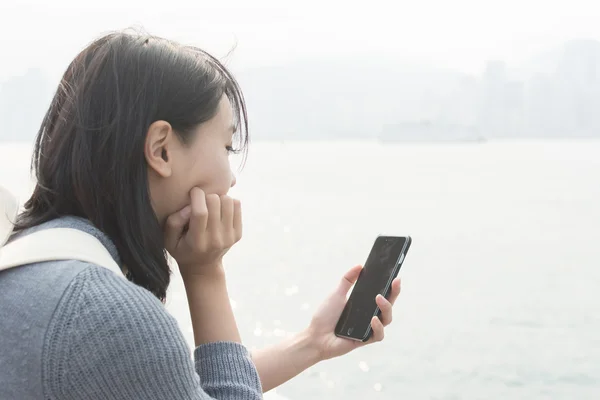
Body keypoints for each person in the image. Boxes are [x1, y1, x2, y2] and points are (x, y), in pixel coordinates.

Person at [0, 29, 402, 399]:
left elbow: (170, 385)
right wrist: (206, 274)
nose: (230, 181)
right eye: (227, 147)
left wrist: (312, 342)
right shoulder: (106, 315)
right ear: (161, 149)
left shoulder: (29, 266)